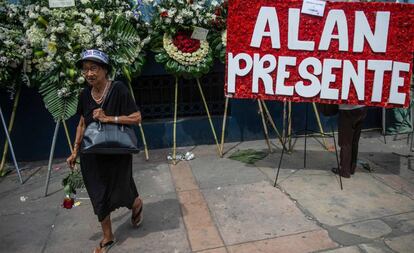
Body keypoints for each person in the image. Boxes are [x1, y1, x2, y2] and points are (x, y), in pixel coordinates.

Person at [66, 49, 143, 253]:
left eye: (94, 68)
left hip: (116, 152)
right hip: (90, 154)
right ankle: (107, 237)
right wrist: (74, 151)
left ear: (105, 70)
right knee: (97, 193)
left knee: (123, 189)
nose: (89, 74)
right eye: (85, 70)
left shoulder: (118, 89)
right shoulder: (84, 94)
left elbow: (136, 117)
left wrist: (109, 118)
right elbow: (81, 123)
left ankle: (136, 204)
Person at [332, 104, 367, 178]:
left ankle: (345, 171)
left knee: (345, 142)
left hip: (347, 109)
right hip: (361, 107)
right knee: (354, 141)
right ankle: (351, 168)